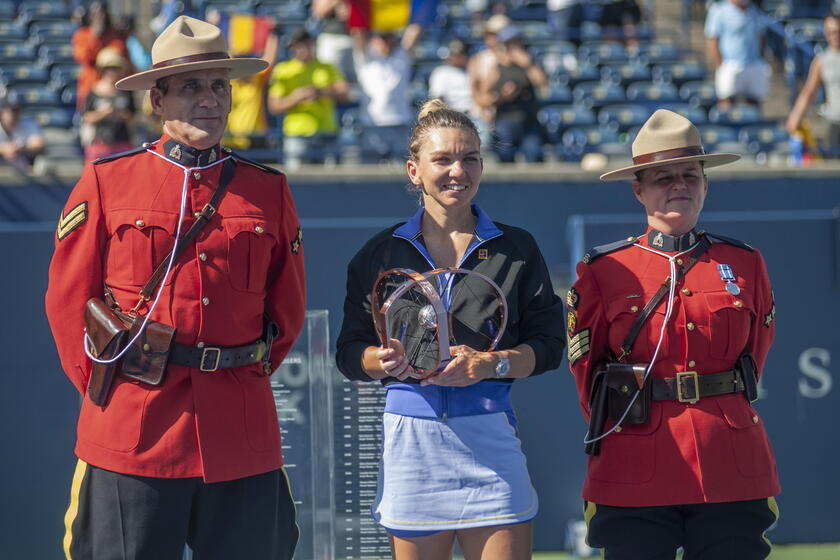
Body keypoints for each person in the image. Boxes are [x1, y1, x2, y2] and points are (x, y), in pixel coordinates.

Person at [46, 16, 305, 559]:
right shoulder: (107, 182)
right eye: (191, 86)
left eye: (219, 85)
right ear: (157, 101)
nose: (209, 99)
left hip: (240, 435)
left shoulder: (267, 190)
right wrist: (115, 390)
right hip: (134, 433)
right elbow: (69, 306)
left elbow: (286, 315)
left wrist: (227, 368)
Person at [336, 99, 565, 559]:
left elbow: (549, 346)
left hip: (491, 438)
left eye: (469, 158)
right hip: (411, 446)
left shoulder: (516, 247)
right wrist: (379, 362)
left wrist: (490, 363)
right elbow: (349, 353)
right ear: (414, 170)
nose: (457, 170)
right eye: (442, 159)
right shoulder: (377, 254)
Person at [567, 109, 780, 559]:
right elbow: (588, 373)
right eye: (663, 177)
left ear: (706, 183)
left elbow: (754, 355)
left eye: (690, 174)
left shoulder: (744, 262)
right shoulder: (603, 271)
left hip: (729, 458)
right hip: (635, 458)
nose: (679, 185)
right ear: (638, 189)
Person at [268, 28, 349, 168]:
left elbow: (344, 93)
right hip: (297, 133)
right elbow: (274, 106)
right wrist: (296, 98)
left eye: (303, 44)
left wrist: (320, 93)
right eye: (296, 45)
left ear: (312, 44)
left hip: (326, 131)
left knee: (332, 182)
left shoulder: (327, 67)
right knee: (297, 182)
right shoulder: (282, 70)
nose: (300, 49)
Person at [352, 24, 422, 163]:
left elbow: (414, 31)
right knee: (368, 174)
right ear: (373, 40)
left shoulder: (401, 56)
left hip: (400, 123)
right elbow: (358, 31)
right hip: (372, 124)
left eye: (389, 38)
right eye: (382, 39)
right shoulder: (365, 57)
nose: (386, 43)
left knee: (404, 175)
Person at [489, 24, 548, 163]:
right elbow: (486, 96)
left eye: (518, 41)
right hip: (506, 119)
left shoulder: (530, 62)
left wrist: (527, 64)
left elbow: (542, 83)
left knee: (534, 156)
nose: (517, 46)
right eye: (512, 43)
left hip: (529, 120)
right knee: (505, 158)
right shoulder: (497, 65)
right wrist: (503, 96)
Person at [786, 13, 840, 158]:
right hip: (835, 122)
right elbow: (809, 91)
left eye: (837, 31)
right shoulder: (822, 60)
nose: (834, 35)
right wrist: (795, 116)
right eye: (830, 32)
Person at [705, 0, 769, 109]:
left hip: (754, 63)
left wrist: (761, 59)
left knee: (754, 103)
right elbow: (712, 39)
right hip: (730, 64)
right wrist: (720, 64)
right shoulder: (719, 10)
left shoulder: (755, 11)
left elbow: (761, 37)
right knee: (726, 102)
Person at [226, 26, 279, 150]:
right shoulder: (226, 82)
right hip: (232, 141)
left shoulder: (256, 79)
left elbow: (269, 60)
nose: (240, 64)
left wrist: (273, 35)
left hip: (256, 140)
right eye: (237, 60)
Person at [81, 47, 137, 162]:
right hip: (99, 144)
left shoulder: (126, 91)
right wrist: (103, 113)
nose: (111, 72)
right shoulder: (93, 92)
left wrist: (121, 114)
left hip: (123, 144)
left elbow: (134, 117)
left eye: (115, 68)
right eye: (108, 68)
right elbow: (86, 117)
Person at [71, 1, 128, 110]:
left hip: (114, 89)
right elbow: (81, 56)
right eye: (95, 14)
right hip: (90, 86)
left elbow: (120, 57)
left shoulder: (115, 36)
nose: (99, 17)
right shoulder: (82, 34)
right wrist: (95, 35)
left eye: (102, 13)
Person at [0, 91, 45, 172]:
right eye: (10, 111)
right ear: (2, 112)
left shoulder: (28, 123)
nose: (14, 114)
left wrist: (21, 149)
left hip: (24, 173)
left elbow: (39, 144)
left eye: (17, 110)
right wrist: (3, 149)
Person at [428, 38, 472, 115]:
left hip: (473, 113)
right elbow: (437, 98)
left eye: (459, 54)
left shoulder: (473, 70)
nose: (455, 57)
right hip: (452, 115)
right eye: (453, 53)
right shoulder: (441, 72)